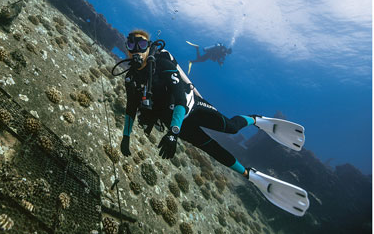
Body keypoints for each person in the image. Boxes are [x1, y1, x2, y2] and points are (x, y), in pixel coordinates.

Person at [119, 29, 309, 216]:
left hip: (192, 107)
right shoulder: (131, 77)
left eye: (142, 44)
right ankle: (249, 174)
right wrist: (126, 136)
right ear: (127, 49)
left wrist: (173, 132)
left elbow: (179, 98)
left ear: (148, 46)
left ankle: (256, 119)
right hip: (173, 123)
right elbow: (130, 107)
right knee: (211, 149)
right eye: (132, 45)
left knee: (231, 128)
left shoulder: (161, 63)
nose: (137, 49)